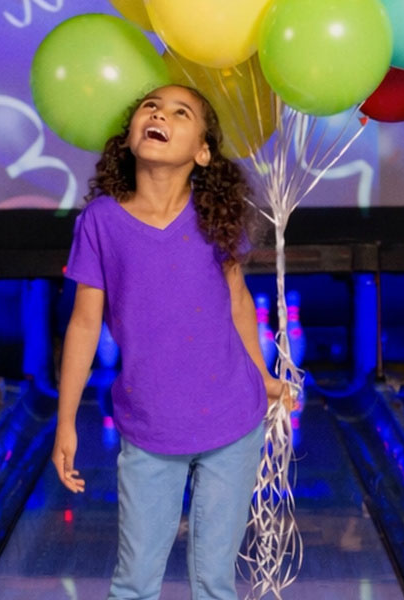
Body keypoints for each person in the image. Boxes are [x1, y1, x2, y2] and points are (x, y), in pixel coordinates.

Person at [55, 84, 295, 600]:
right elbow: (83, 325)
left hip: (233, 418)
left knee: (214, 583)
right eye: (150, 106)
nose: (160, 114)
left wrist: (263, 375)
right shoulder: (100, 221)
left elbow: (237, 303)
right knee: (135, 582)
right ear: (131, 135)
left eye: (180, 112)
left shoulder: (215, 218)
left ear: (202, 151)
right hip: (148, 426)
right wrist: (66, 421)